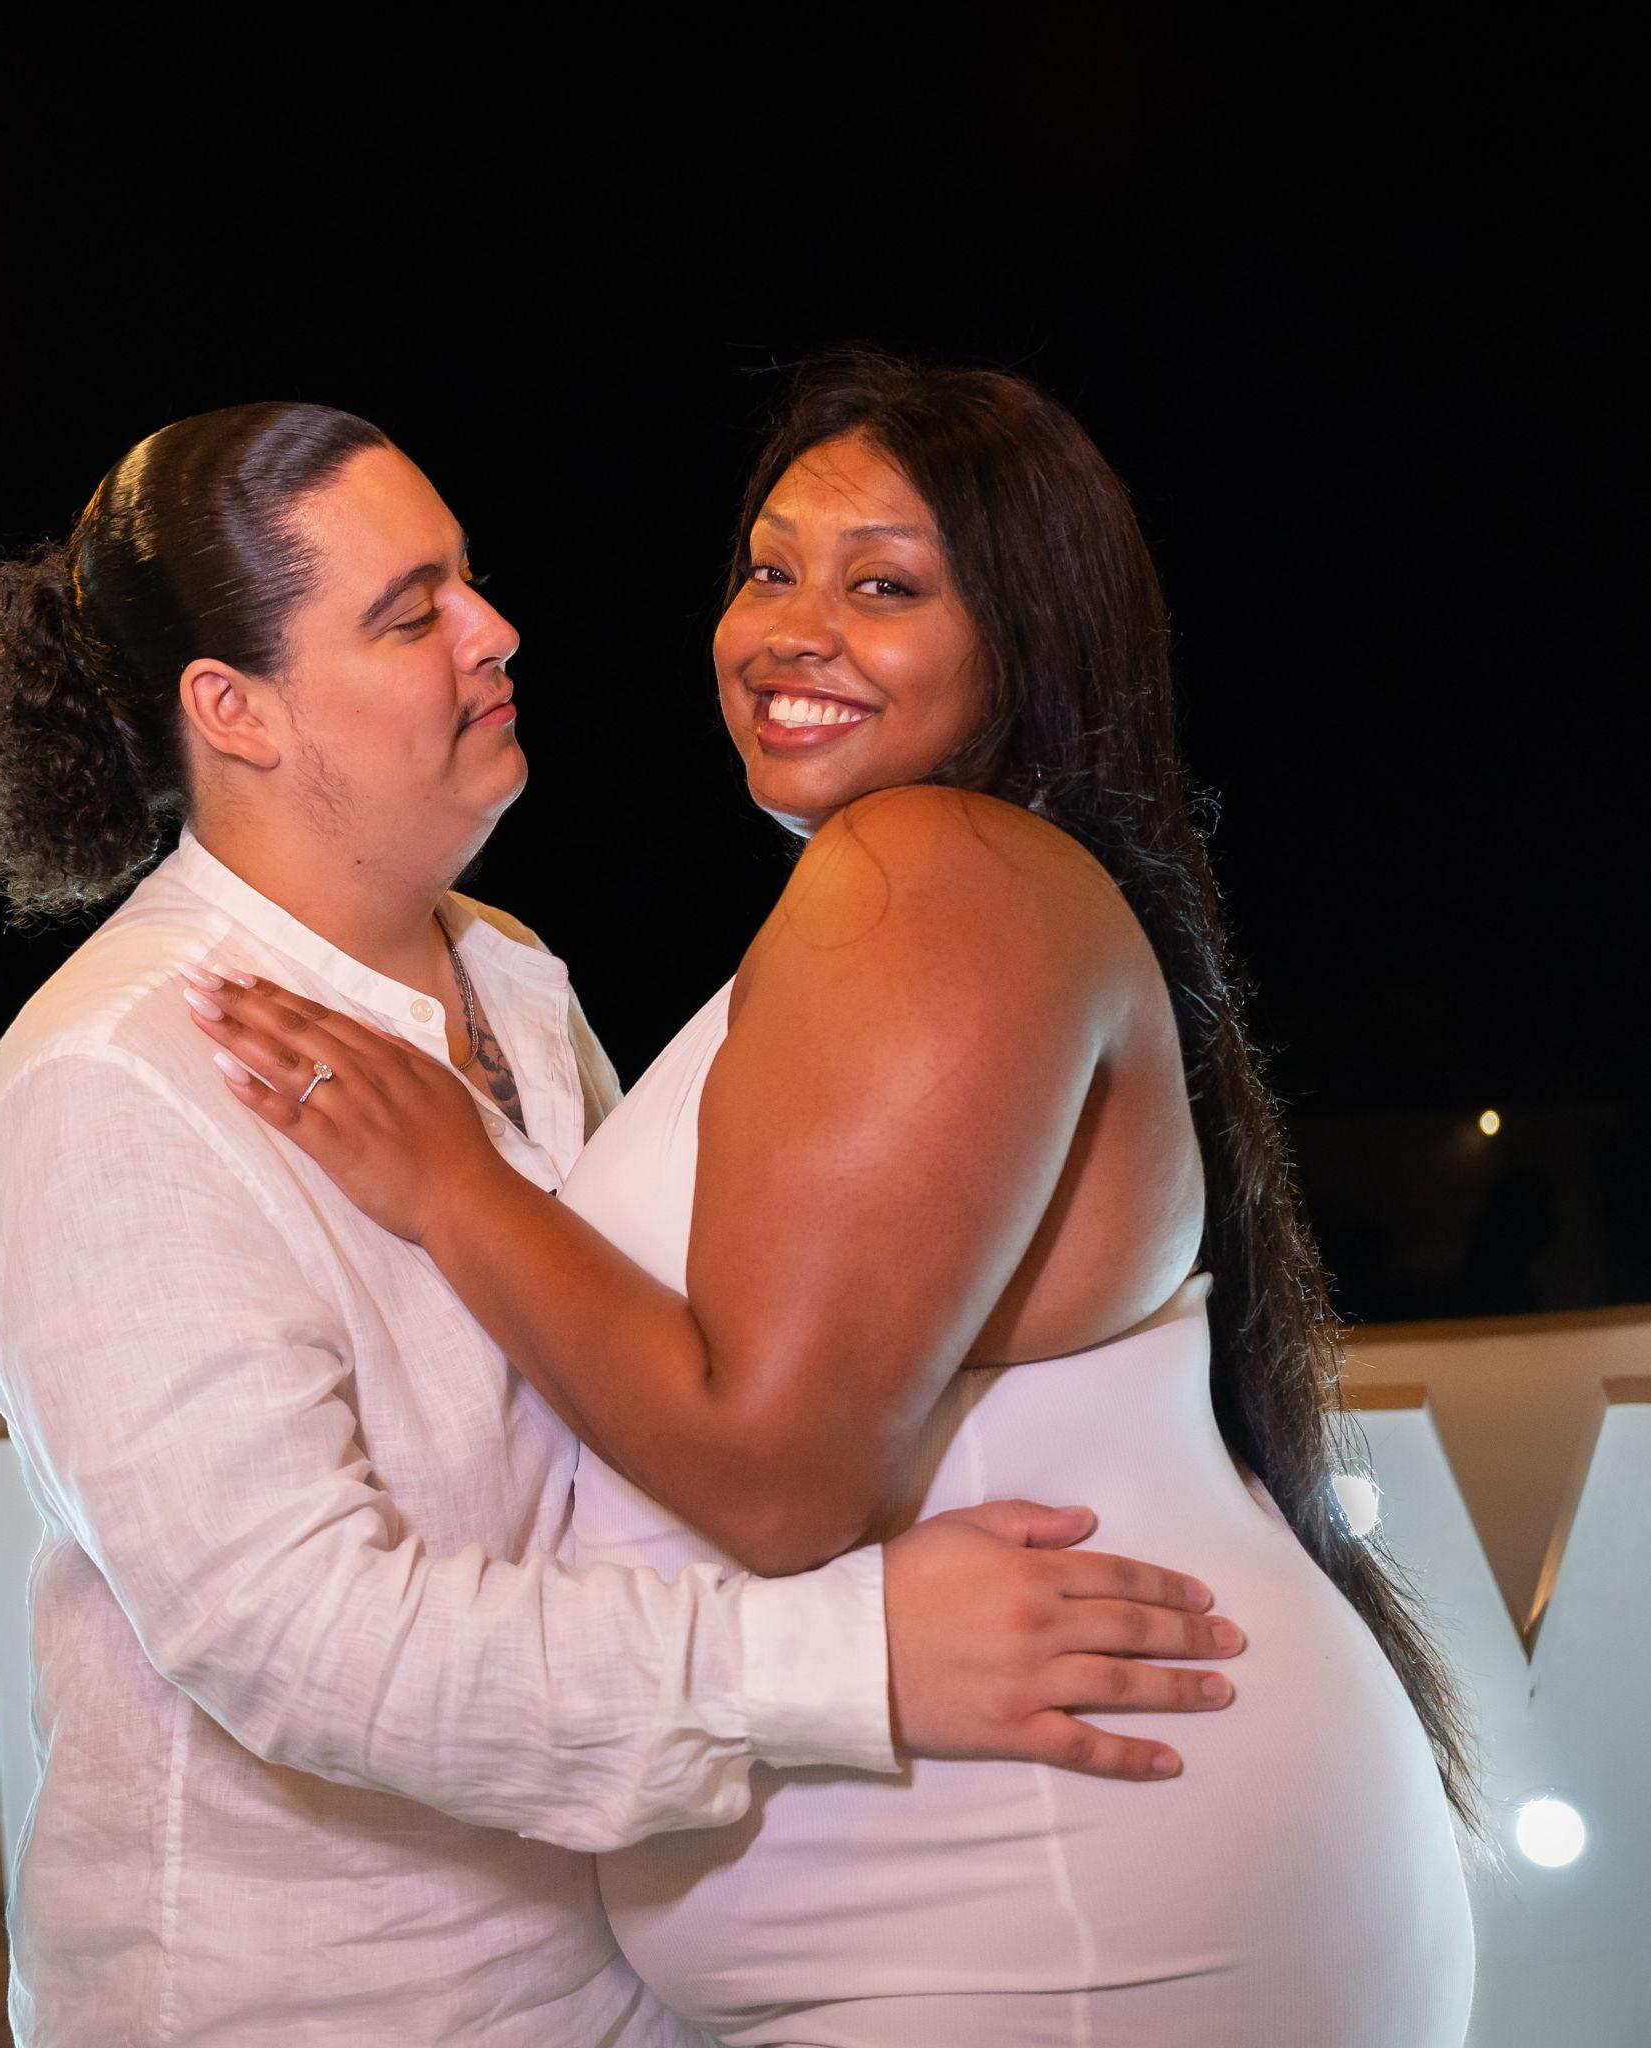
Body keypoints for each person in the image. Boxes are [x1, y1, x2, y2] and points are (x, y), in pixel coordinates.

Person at [188, 359, 1479, 2047]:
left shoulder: (934, 872)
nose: (789, 633)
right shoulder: (950, 885)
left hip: (1068, 1921)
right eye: (770, 567)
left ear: (1023, 638)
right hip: (1038, 1908)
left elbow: (780, 1478)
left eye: (884, 588)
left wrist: (450, 1180)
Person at [0, 400, 1243, 2047]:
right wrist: (846, 1659)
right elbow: (294, 1639)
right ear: (234, 710)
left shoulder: (508, 974)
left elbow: (649, 1407)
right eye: (411, 613)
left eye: (469, 579)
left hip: (617, 1979)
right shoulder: (117, 1076)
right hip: (333, 2006)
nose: (494, 630)